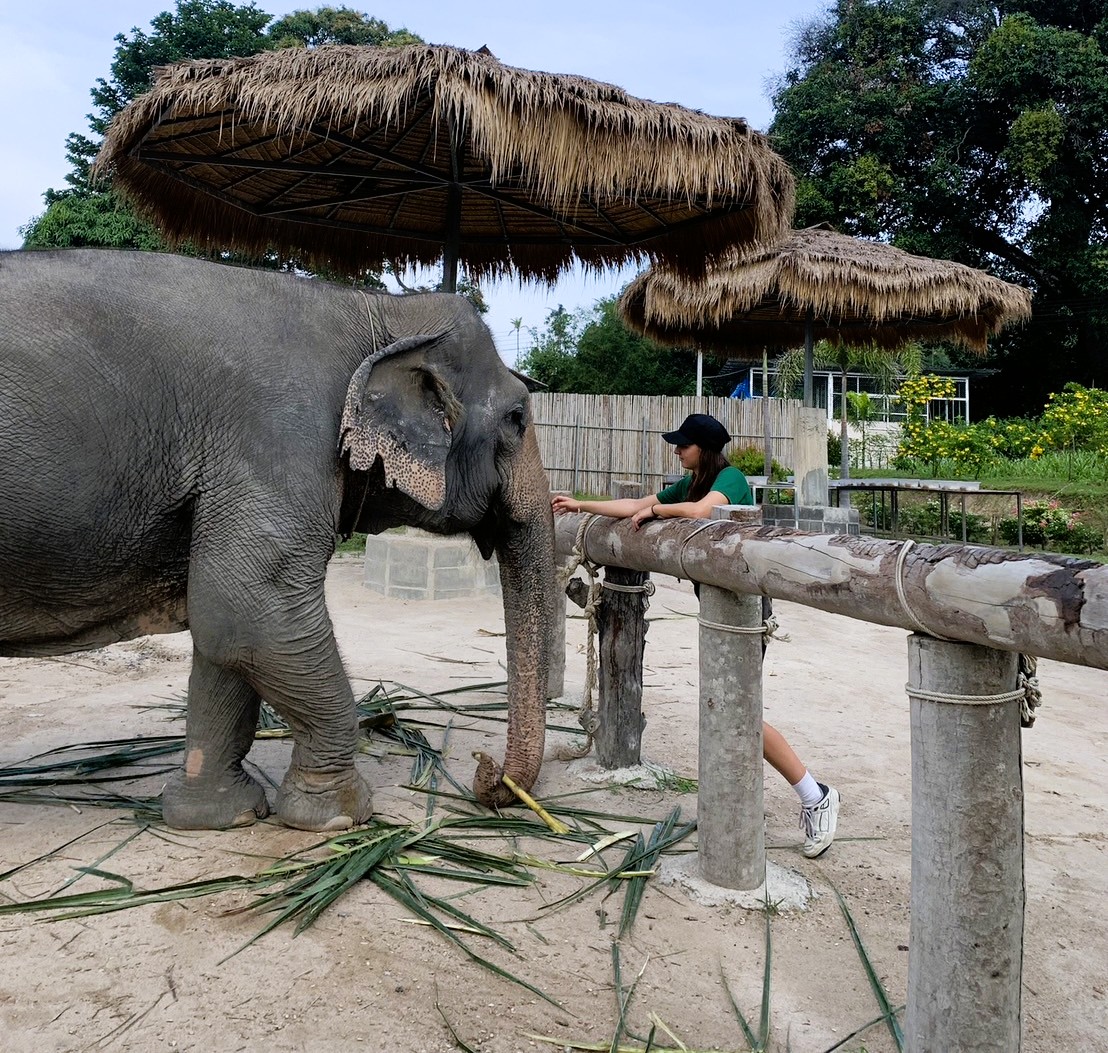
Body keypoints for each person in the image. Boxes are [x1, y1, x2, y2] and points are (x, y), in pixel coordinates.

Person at [552, 413, 840, 858]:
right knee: (726, 710)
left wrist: (658, 511)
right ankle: (744, 805)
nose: (677, 450)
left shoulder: (730, 478)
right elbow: (635, 505)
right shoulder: (690, 483)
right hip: (716, 606)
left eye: (683, 445)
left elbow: (703, 514)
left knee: (739, 713)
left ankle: (815, 796)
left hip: (743, 608)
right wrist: (580, 506)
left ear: (703, 448)